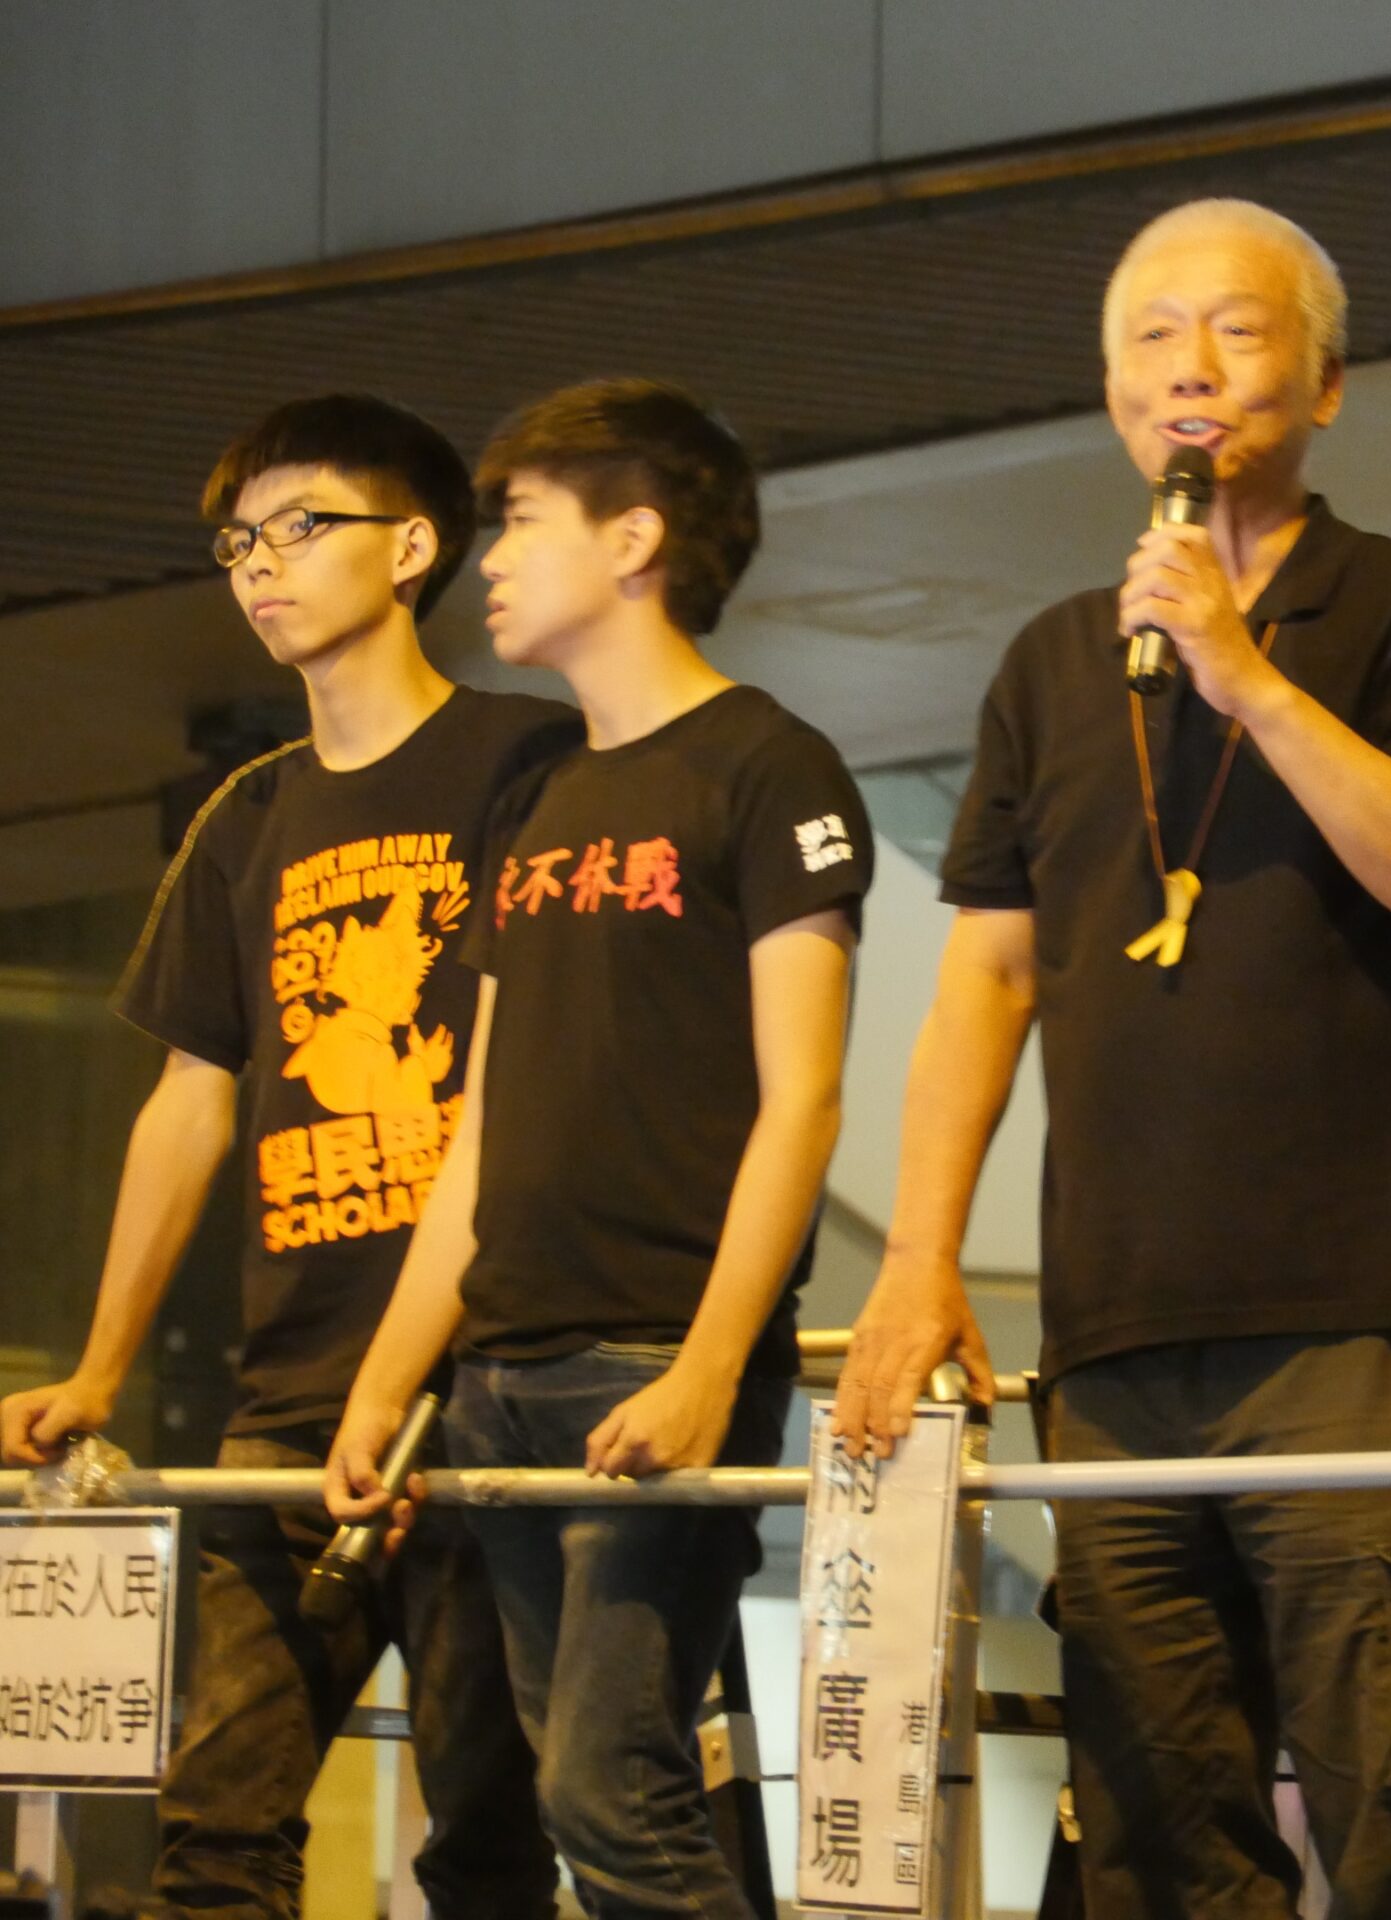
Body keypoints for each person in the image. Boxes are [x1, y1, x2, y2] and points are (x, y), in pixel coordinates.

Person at [830, 198, 1391, 1918]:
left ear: (1326, 382)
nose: (1190, 369)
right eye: (1151, 338)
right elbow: (985, 981)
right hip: (1113, 1338)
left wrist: (1249, 677)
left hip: (1352, 1324)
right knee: (1151, 1833)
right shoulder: (1052, 660)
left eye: (1234, 331)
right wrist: (918, 1263)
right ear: (1112, 393)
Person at [1, 394, 567, 1919]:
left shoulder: (530, 761)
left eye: (302, 527)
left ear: (415, 545)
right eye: (239, 540)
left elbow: (548, 1079)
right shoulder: (249, 815)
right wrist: (100, 1367)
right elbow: (188, 1101)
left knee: (485, 1841)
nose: (260, 565)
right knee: (216, 1828)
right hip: (281, 1403)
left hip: (478, 1396)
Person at [324, 379, 873, 1920]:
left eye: (519, 522)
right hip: (498, 1373)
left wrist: (709, 1368)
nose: (486, 559)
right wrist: (389, 1378)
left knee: (607, 1789)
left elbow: (804, 1102)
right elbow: (483, 1125)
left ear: (634, 538)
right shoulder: (541, 795)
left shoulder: (772, 766)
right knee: (570, 1793)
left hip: (651, 1362)